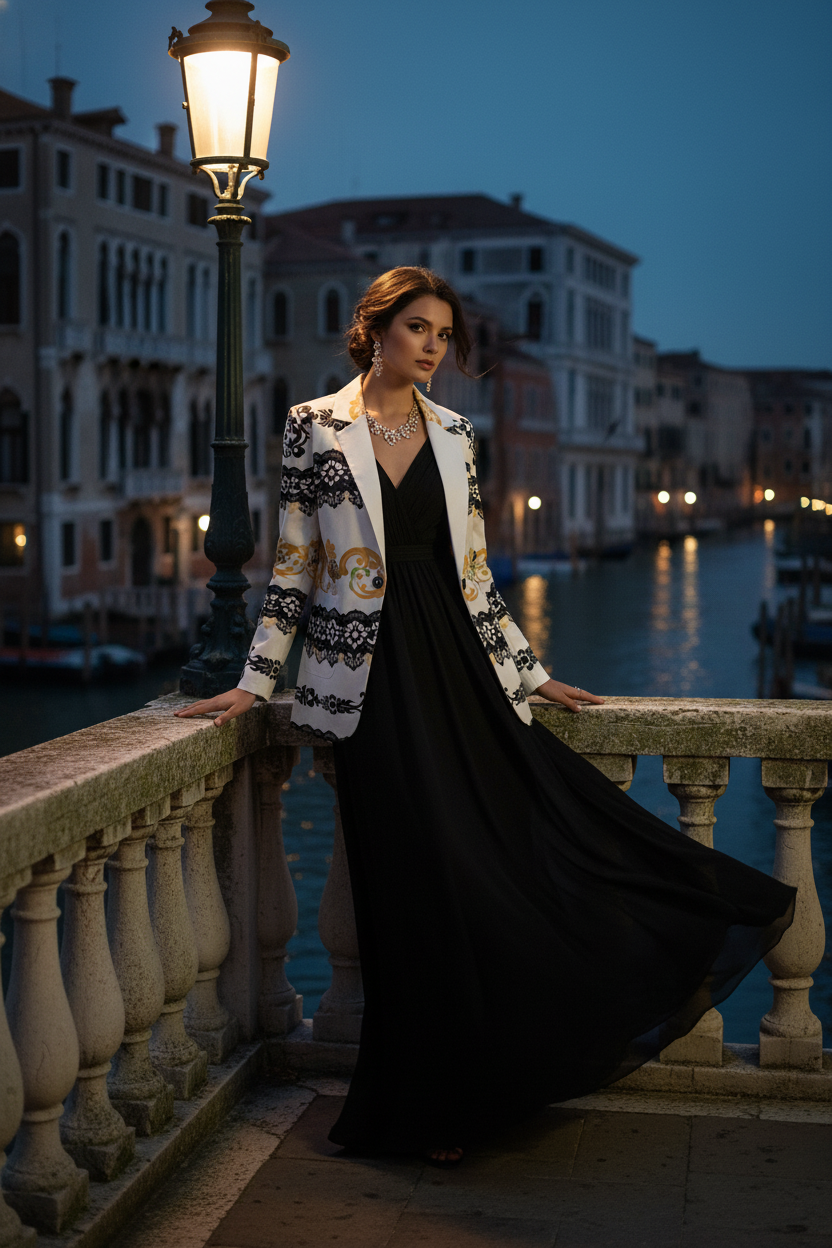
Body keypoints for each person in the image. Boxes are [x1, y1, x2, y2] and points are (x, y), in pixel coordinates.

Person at [176, 267, 796, 1168]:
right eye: (419, 329)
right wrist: (255, 682)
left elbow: (475, 576)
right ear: (375, 329)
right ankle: (409, 1106)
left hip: (459, 673)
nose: (433, 348)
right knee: (404, 893)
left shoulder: (459, 436)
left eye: (444, 336)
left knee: (497, 862)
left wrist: (532, 675)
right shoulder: (314, 427)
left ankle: (469, 1094)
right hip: (366, 686)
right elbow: (294, 569)